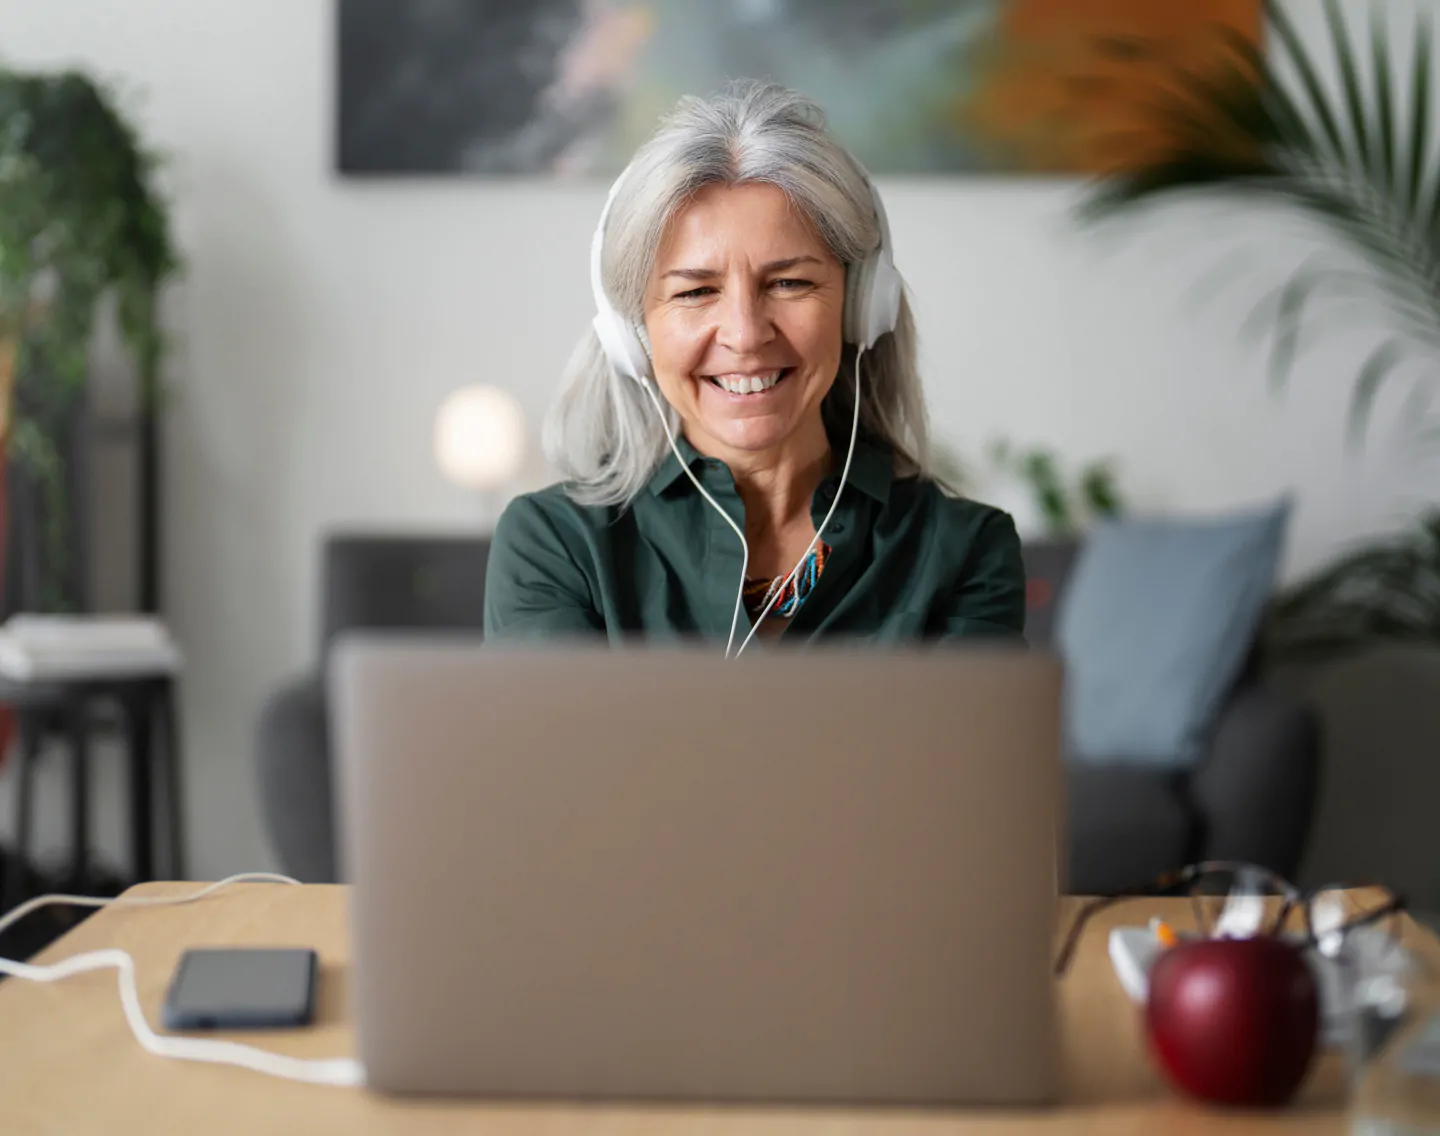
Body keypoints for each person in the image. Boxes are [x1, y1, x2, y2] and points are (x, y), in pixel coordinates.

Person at [483, 80, 1025, 653]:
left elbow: (963, 747)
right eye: (695, 292)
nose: (745, 334)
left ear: (861, 305)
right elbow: (557, 745)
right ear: (633, 331)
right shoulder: (556, 543)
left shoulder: (964, 549)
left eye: (789, 282)